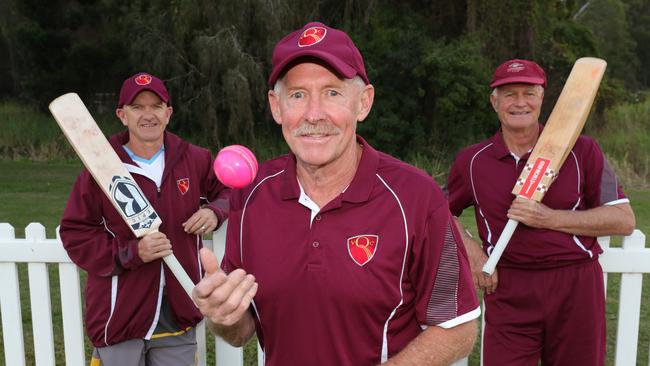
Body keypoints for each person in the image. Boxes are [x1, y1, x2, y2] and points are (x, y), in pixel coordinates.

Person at [191, 21, 480, 365]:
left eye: (332, 92)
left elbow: (458, 328)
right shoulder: (252, 196)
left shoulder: (417, 197)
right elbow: (242, 330)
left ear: (363, 102)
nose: (314, 115)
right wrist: (224, 316)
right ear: (276, 106)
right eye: (298, 95)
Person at [446, 59, 636, 365]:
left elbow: (624, 219)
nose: (520, 102)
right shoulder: (473, 160)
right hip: (509, 286)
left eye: (529, 93)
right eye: (509, 94)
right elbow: (439, 213)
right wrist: (473, 254)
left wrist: (549, 217)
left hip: (575, 283)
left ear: (542, 99)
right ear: (494, 101)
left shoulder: (583, 150)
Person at [60, 72, 230, 366]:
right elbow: (76, 233)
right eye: (137, 107)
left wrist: (214, 211)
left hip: (178, 311)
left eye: (156, 105)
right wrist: (133, 253)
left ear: (168, 113)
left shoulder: (195, 159)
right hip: (121, 316)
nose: (148, 114)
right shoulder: (100, 166)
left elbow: (230, 193)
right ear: (122, 115)